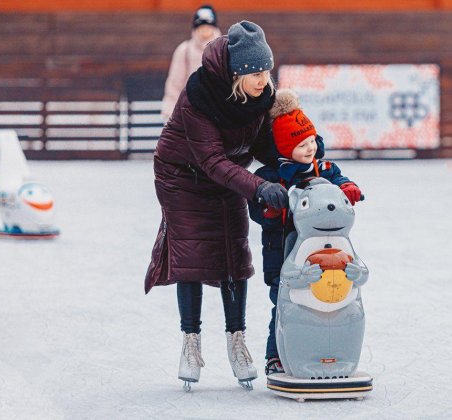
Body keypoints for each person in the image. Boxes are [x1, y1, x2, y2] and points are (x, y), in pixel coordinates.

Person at [144, 20, 287, 391]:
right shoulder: (200, 96)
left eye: (266, 70)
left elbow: (259, 145)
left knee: (233, 255)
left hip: (228, 173)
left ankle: (236, 341)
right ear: (237, 73)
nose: (263, 79)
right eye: (256, 72)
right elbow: (212, 162)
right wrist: (259, 187)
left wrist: (295, 161)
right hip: (183, 176)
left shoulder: (261, 95)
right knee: (192, 256)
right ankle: (191, 343)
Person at [247, 89, 362, 376]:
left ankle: (325, 351)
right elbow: (255, 209)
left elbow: (342, 182)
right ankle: (276, 355)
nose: (309, 148)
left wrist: (349, 189)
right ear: (284, 149)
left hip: (325, 251)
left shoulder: (324, 168)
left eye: (311, 140)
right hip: (282, 251)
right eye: (301, 145)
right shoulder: (270, 177)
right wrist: (270, 212)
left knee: (329, 302)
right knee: (284, 305)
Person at [160, 5, 222, 121]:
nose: (205, 29)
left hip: (218, 112)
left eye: (208, 26)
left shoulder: (223, 49)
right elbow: (175, 85)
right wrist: (170, 113)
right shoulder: (184, 50)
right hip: (191, 112)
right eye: (201, 26)